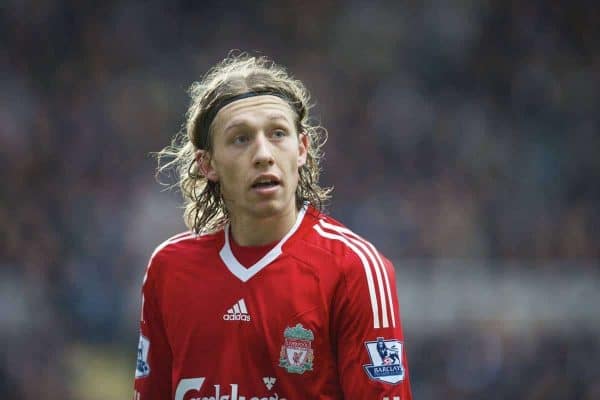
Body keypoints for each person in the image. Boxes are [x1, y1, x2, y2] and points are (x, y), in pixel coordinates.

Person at [133, 53, 413, 400]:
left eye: (278, 133)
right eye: (240, 139)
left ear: (302, 148)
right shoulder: (170, 269)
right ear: (207, 164)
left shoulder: (355, 269)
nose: (263, 153)